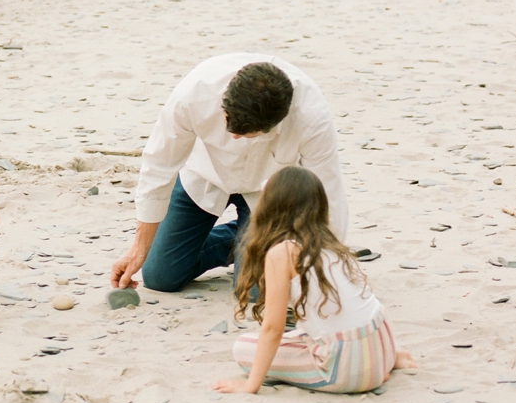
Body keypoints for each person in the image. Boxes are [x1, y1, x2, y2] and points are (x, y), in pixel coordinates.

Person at [110, 55, 347, 294]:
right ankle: (243, 237)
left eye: (246, 134)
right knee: (159, 276)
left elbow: (327, 194)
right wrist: (137, 250)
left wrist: (326, 266)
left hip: (266, 194)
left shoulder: (311, 117)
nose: (233, 137)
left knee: (254, 292)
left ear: (275, 123)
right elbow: (158, 165)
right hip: (203, 177)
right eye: (227, 122)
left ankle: (259, 236)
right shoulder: (193, 94)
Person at [211, 166, 414, 393]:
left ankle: (366, 370)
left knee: (244, 348)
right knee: (304, 333)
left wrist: (251, 385)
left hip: (347, 368)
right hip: (383, 342)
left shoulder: (282, 253)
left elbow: (273, 328)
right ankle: (389, 360)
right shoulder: (330, 242)